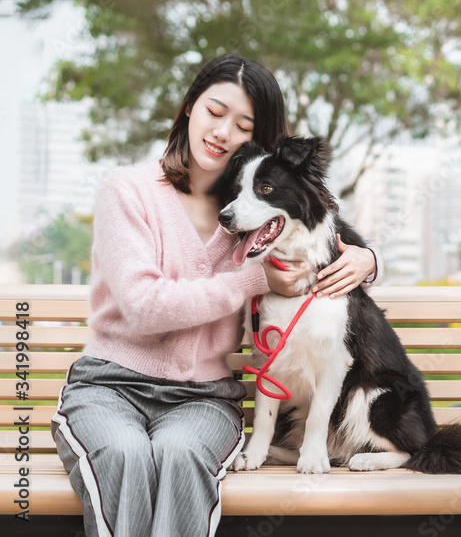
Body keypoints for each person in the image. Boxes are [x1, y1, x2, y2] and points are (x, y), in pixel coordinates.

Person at [50, 53, 382, 537]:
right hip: (109, 389)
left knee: (180, 454)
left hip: (204, 399)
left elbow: (331, 234)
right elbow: (144, 307)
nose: (223, 132)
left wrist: (370, 261)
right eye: (214, 111)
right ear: (189, 107)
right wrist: (255, 280)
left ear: (258, 139)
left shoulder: (261, 212)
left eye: (243, 125)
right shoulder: (128, 190)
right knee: (126, 455)